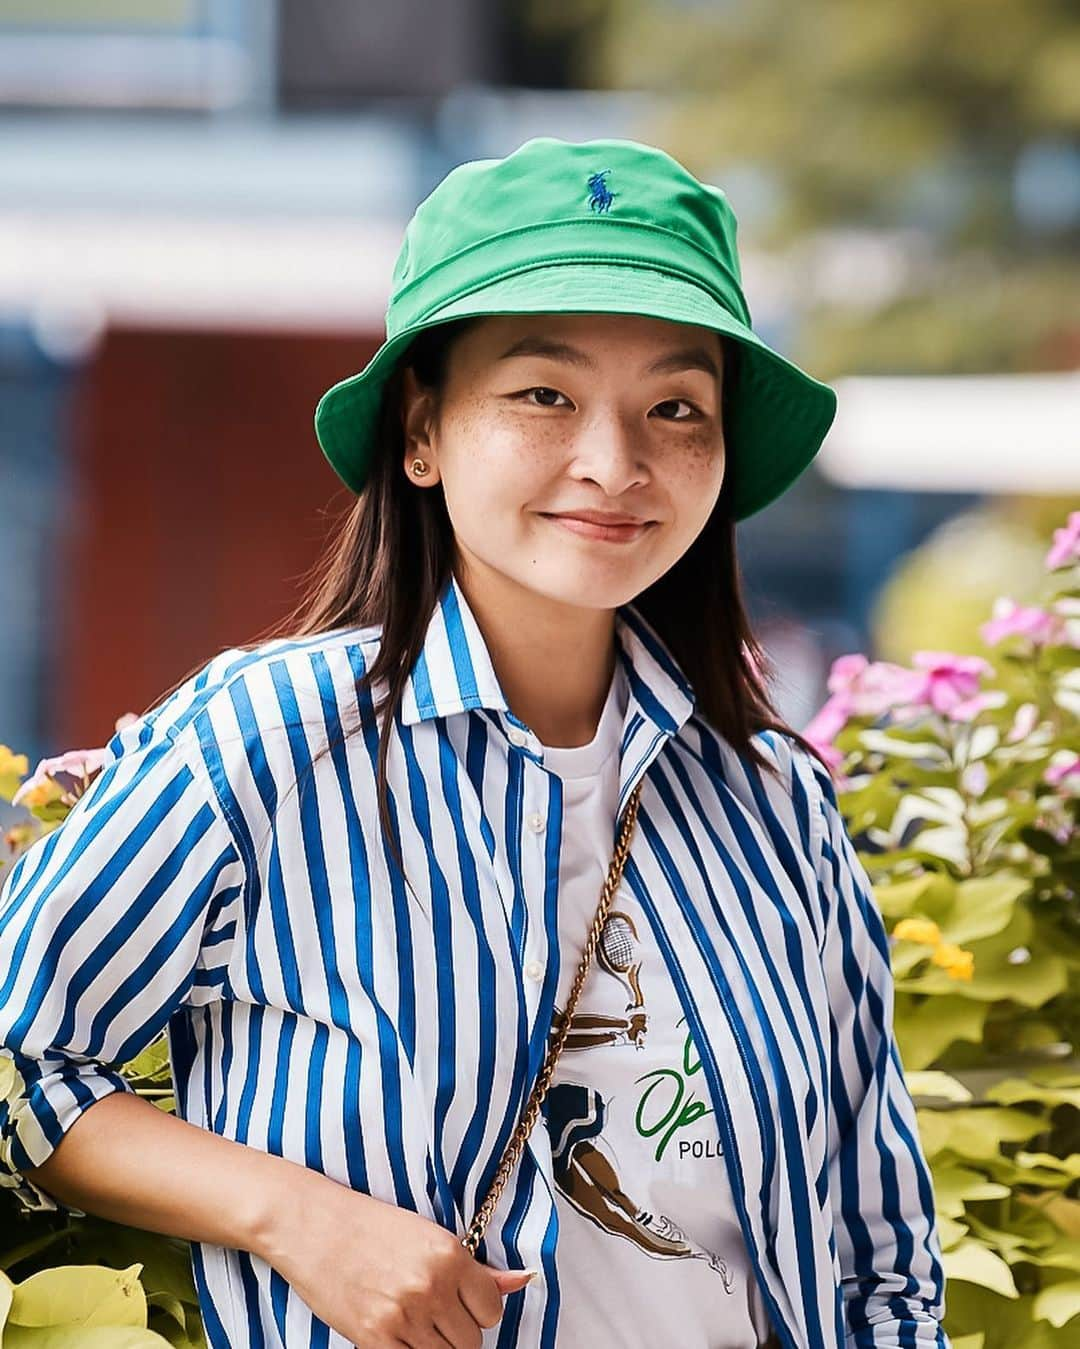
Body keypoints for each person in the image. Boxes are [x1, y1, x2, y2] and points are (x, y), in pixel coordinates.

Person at [0, 137, 950, 1349]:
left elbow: (879, 1254)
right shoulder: (263, 745)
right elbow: (20, 1062)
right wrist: (297, 1217)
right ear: (422, 431)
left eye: (675, 406)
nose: (615, 460)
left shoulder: (777, 806)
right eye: (544, 394)